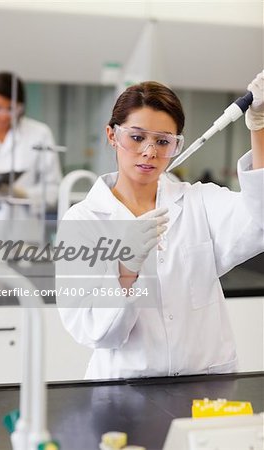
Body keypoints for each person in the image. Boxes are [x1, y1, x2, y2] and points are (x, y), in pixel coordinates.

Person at [56, 71, 264, 380]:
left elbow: (259, 218)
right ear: (112, 136)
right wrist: (126, 270)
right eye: (137, 137)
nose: (150, 152)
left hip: (205, 385)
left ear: (176, 145)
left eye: (163, 141)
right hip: (125, 392)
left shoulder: (198, 203)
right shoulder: (84, 222)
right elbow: (95, 333)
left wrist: (259, 129)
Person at [0, 72, 62, 229]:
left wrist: (23, 194)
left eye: (10, 109)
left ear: (21, 107)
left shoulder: (40, 134)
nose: (3, 116)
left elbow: (53, 189)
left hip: (21, 229)